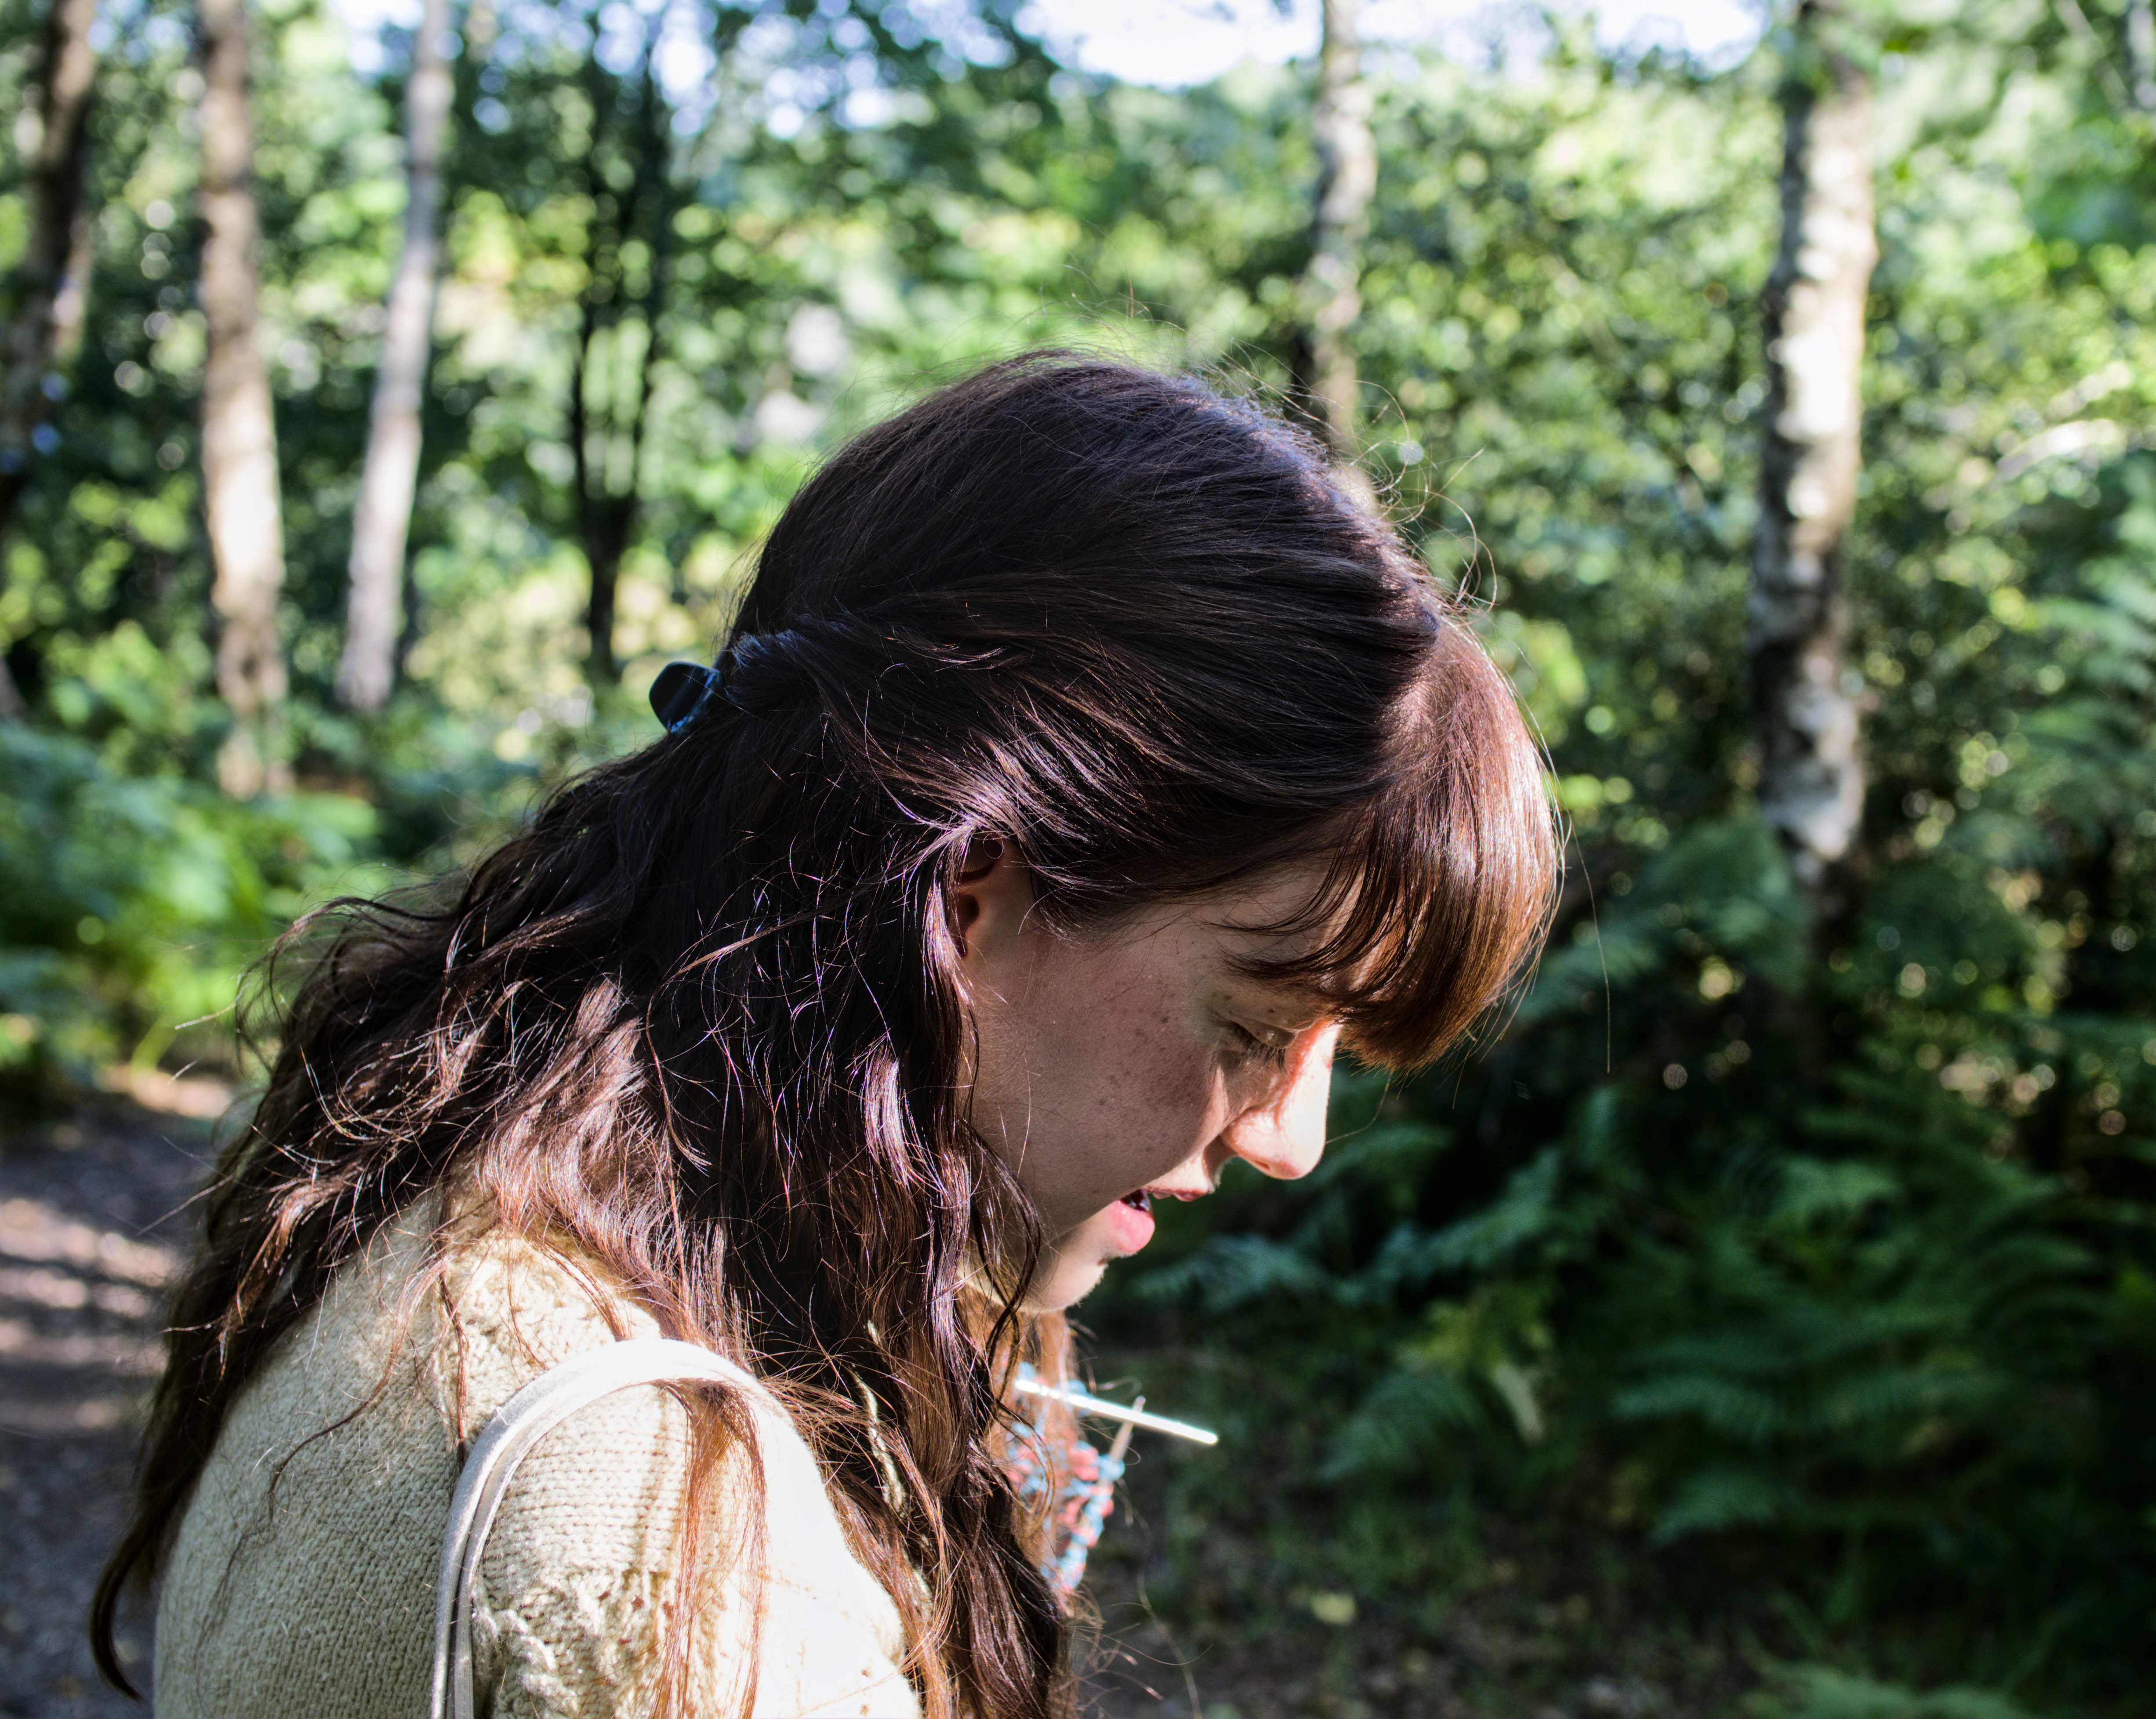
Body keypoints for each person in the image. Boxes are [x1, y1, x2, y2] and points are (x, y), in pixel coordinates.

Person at [92, 353, 1557, 1719]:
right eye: (1258, 1023)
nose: (1288, 1143)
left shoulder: (497, 1191)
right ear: (963, 900)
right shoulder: (671, 1547)